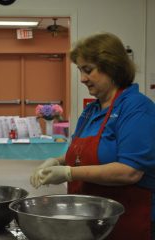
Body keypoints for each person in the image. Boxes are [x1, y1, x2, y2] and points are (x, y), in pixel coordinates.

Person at [30, 32, 155, 240]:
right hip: (91, 221)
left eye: (88, 70)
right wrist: (55, 162)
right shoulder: (91, 110)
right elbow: (80, 155)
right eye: (80, 70)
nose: (82, 79)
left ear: (112, 66)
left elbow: (130, 172)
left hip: (128, 221)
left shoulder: (136, 108)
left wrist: (69, 173)